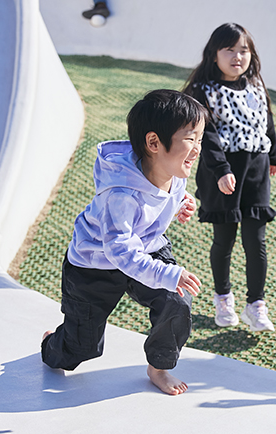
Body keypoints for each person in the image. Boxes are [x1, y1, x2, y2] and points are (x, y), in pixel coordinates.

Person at [41, 89, 208, 395]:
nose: (197, 148)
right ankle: (56, 342)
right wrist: (168, 273)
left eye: (199, 139)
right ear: (154, 142)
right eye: (190, 139)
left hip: (146, 247)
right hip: (95, 265)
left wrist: (181, 202)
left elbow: (165, 196)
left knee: (176, 300)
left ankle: (159, 368)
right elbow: (121, 252)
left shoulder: (174, 170)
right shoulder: (120, 194)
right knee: (78, 351)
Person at [183, 23, 276, 333]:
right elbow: (206, 136)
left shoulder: (256, 84)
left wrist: (272, 156)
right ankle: (223, 297)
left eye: (244, 50)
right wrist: (222, 170)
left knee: (256, 240)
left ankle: (256, 305)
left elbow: (267, 121)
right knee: (224, 240)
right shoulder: (204, 90)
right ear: (214, 54)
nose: (238, 56)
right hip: (221, 170)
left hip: (256, 169)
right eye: (230, 50)